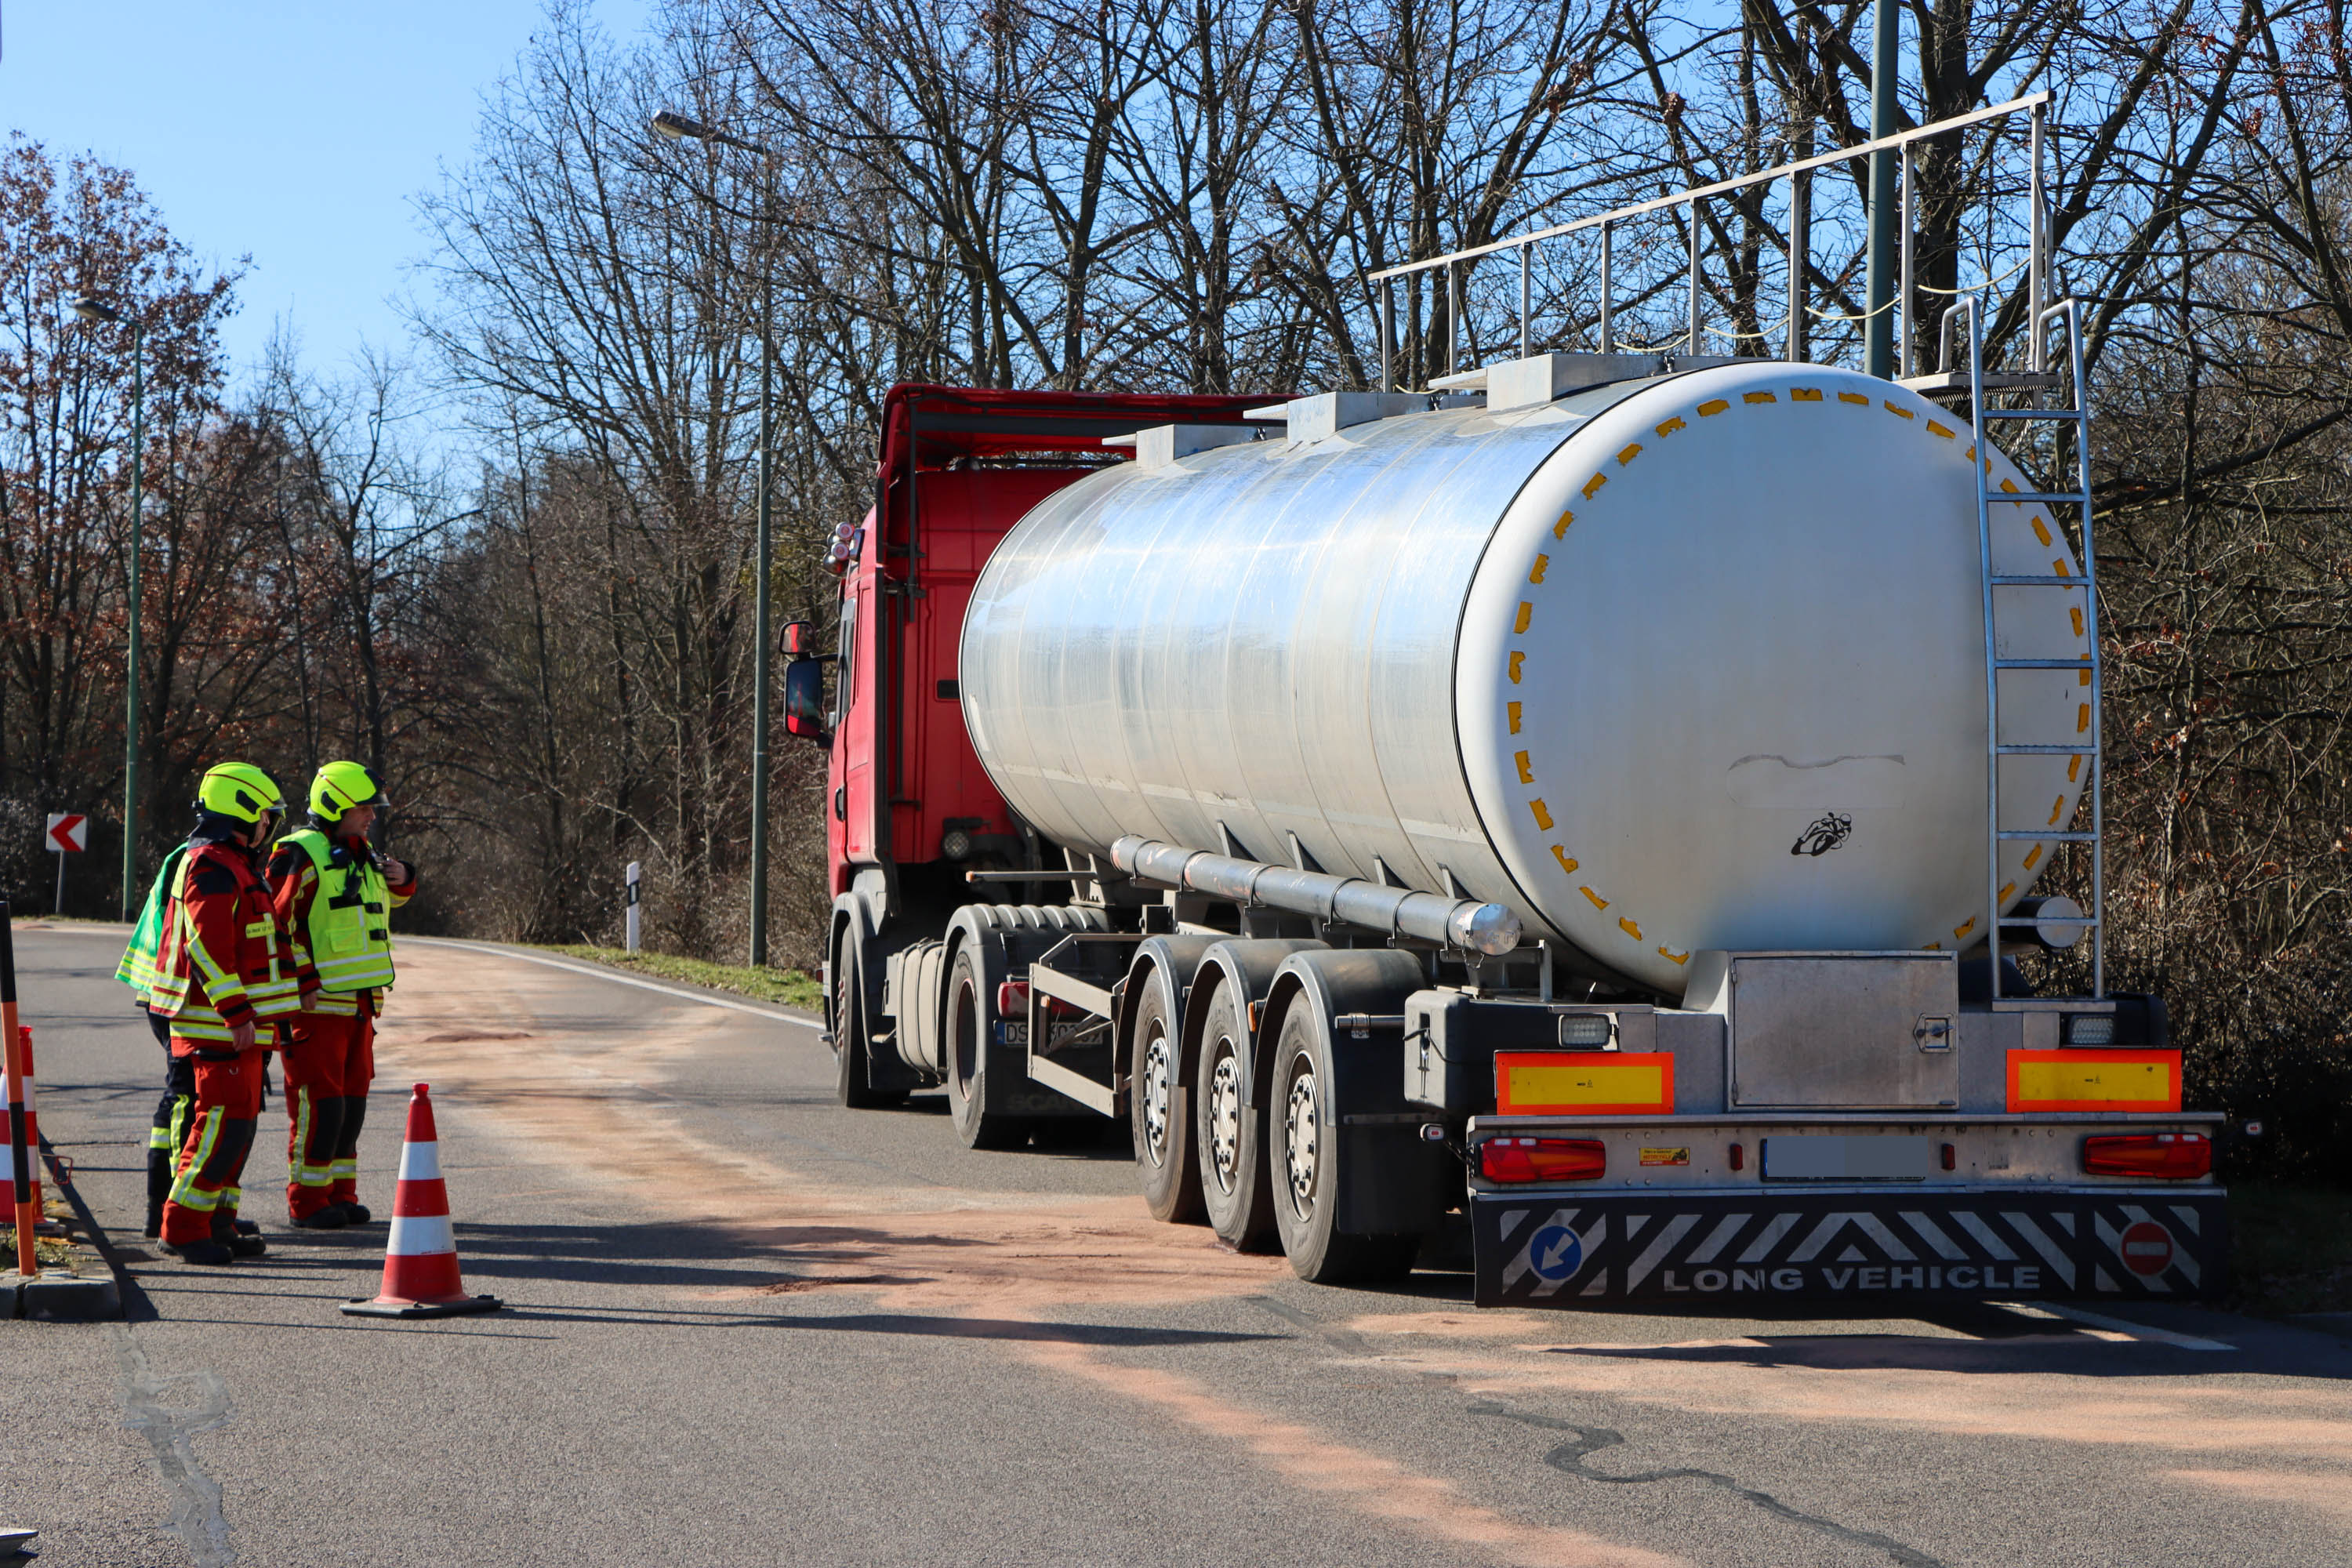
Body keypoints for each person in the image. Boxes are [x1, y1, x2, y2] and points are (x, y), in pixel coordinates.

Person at [147, 763, 305, 1265]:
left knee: (239, 1126)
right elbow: (208, 947)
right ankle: (184, 1227)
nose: (270, 827)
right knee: (219, 1126)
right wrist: (237, 1014)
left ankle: (216, 1221)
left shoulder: (235, 864)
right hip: (216, 1023)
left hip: (241, 1025)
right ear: (243, 813)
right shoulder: (211, 865)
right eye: (267, 817)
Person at [267, 761, 416, 1229]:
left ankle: (340, 1194)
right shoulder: (300, 854)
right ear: (335, 807)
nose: (372, 814)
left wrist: (403, 877)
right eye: (363, 807)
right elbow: (274, 925)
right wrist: (304, 980)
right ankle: (307, 1202)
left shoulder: (362, 851)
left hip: (357, 1008)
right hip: (316, 1009)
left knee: (350, 1106)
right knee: (320, 1105)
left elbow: (380, 903)